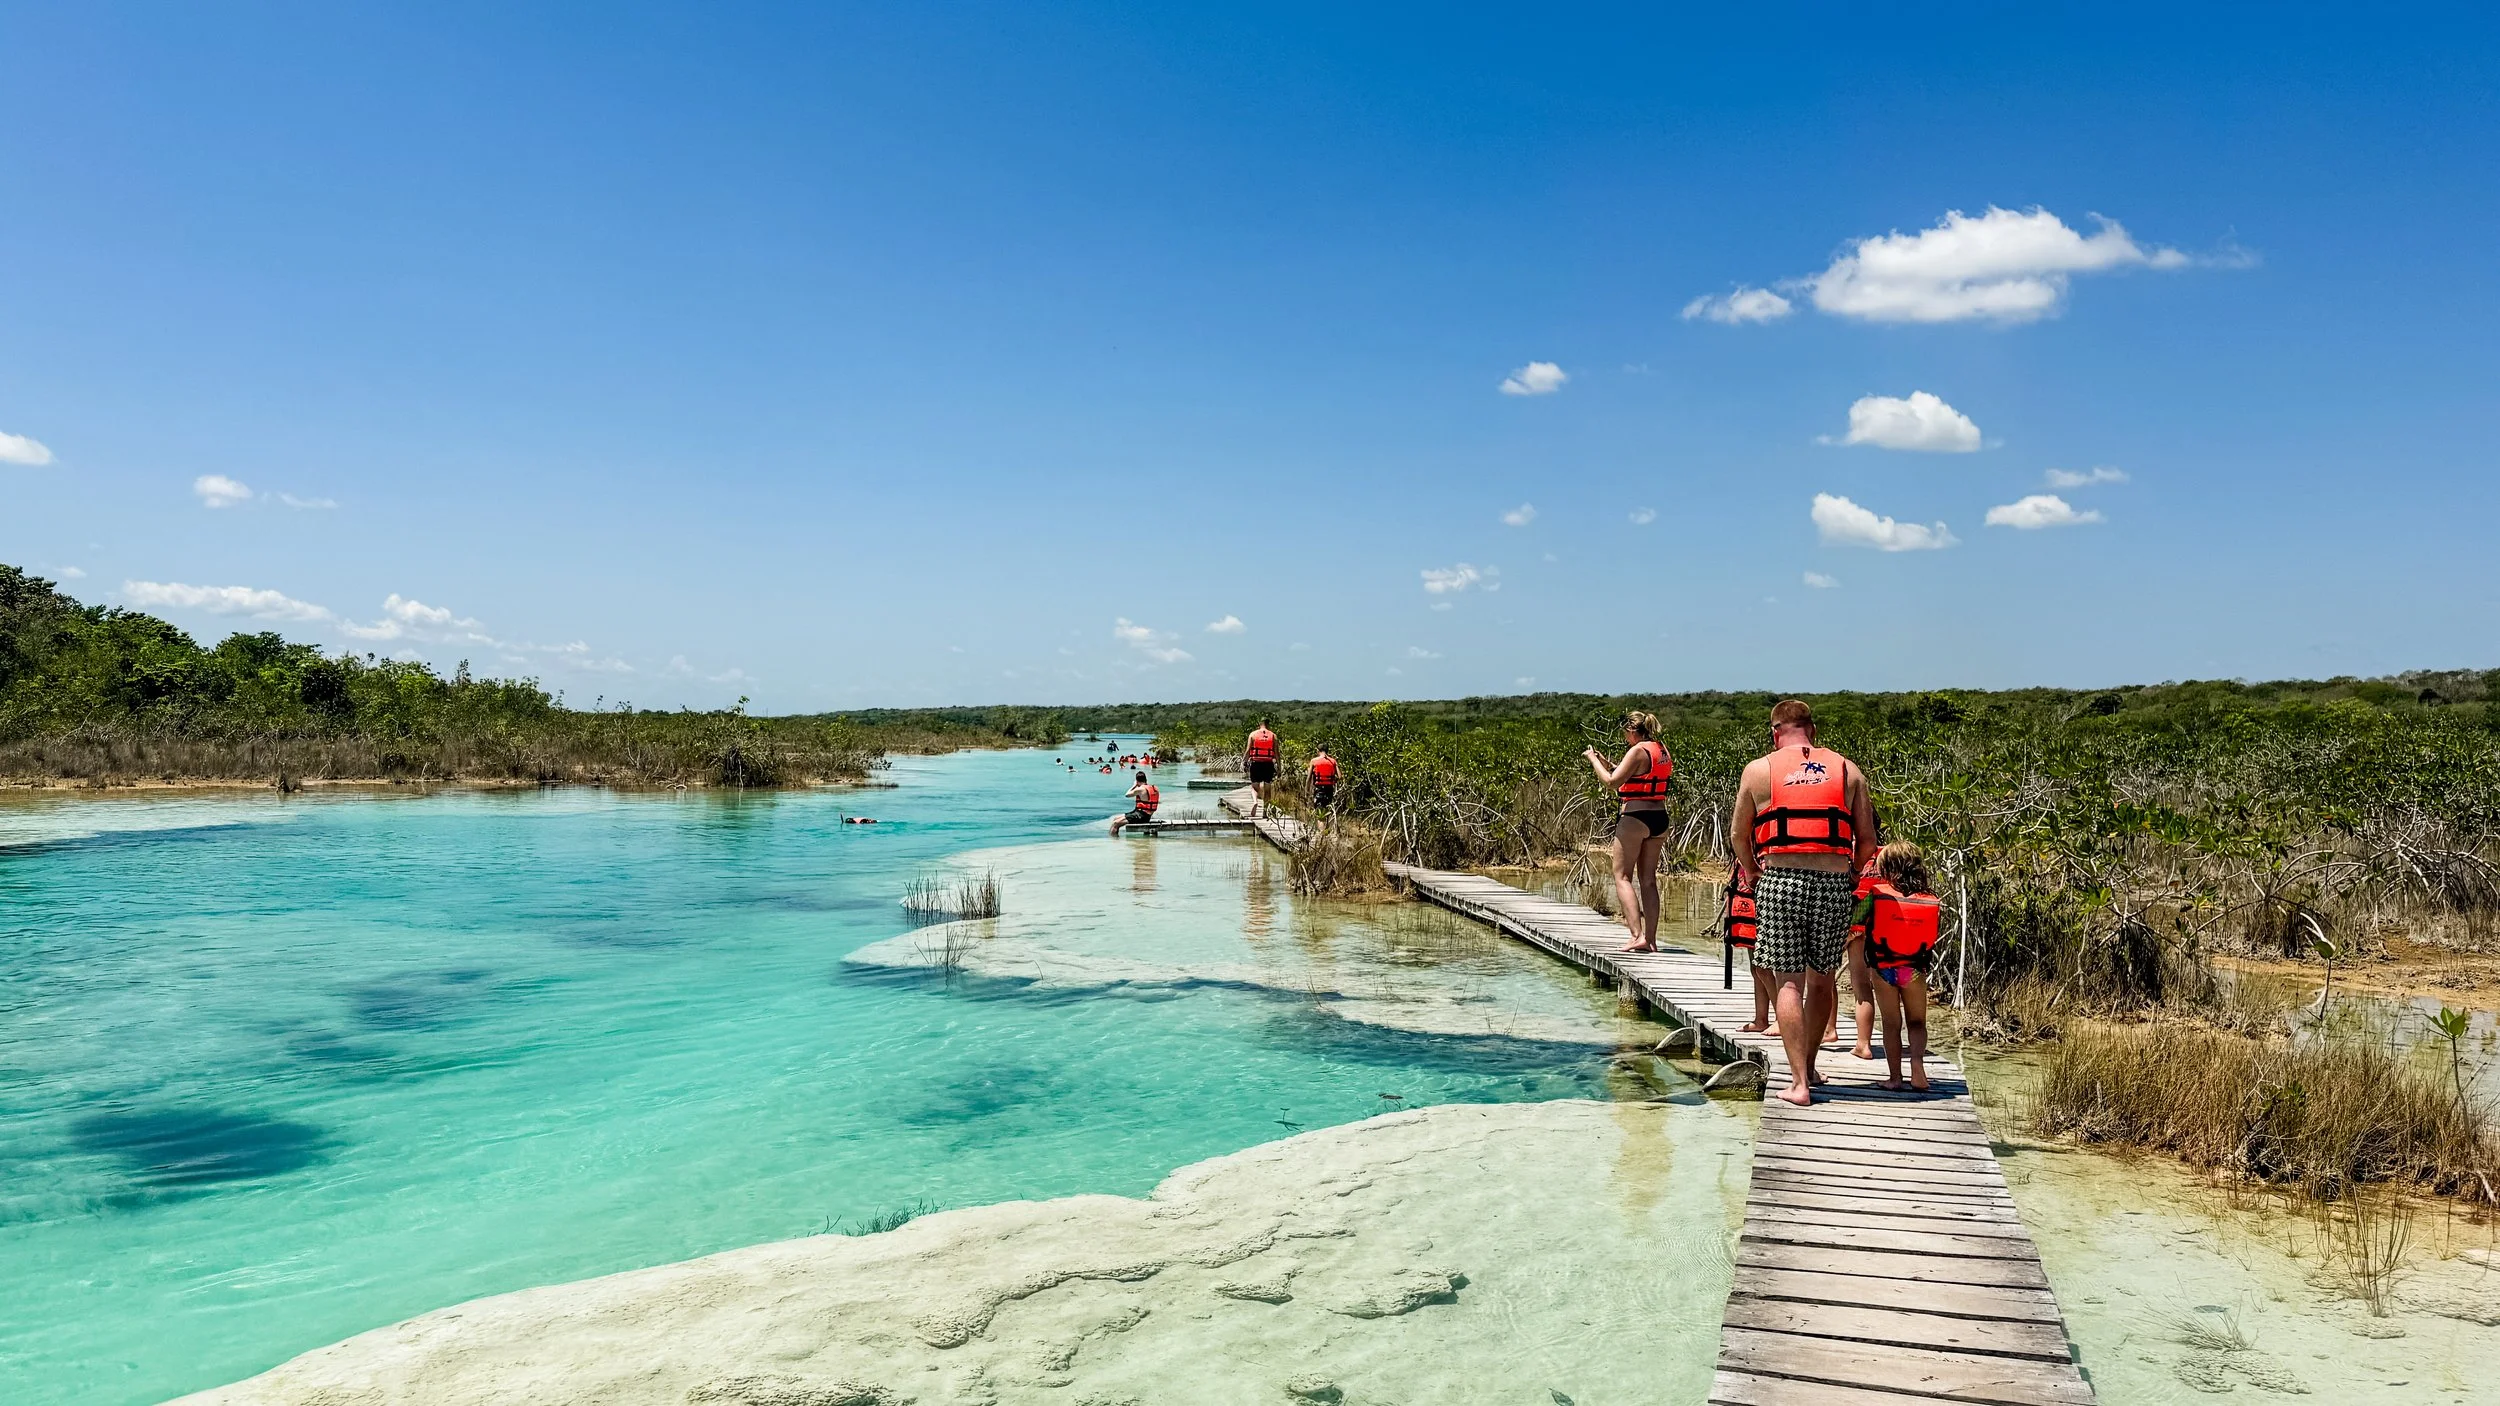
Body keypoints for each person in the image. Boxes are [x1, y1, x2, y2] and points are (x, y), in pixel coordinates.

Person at [1730, 699, 1880, 1106]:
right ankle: (1810, 1067)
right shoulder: (1849, 770)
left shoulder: (1759, 771)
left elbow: (1738, 836)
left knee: (1789, 982)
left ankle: (1798, 1082)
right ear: (1812, 730)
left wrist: (1751, 872)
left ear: (1775, 733)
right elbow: (1867, 840)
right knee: (1821, 978)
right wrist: (1851, 875)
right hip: (1833, 882)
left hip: (1780, 879)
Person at [1856, 840, 1943, 1091]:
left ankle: (1895, 1078)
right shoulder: (1930, 898)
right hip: (1914, 969)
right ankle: (1918, 1068)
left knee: (1891, 1023)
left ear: (1886, 867)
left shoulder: (1876, 894)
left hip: (1883, 968)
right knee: (1917, 1022)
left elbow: (1856, 920)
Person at [1585, 712, 1673, 954]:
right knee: (1648, 880)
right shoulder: (1660, 748)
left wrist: (1593, 760)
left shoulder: (1637, 750)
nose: (1625, 738)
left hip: (1636, 817)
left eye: (1625, 733)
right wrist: (1607, 762)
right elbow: (1636, 774)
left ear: (1632, 730)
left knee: (1622, 876)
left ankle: (1636, 936)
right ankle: (1651, 940)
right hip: (1659, 818)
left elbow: (1612, 782)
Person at [1723, 862, 1778, 1034]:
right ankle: (1761, 1018)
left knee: (1763, 968)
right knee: (1755, 968)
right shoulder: (1742, 854)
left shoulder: (1763, 853)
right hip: (1747, 911)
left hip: (1764, 912)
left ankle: (1781, 1018)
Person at [1108, 770, 1161, 836]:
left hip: (1141, 816)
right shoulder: (1153, 788)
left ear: (1137, 781)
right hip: (1144, 815)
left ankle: (1113, 841)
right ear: (1145, 779)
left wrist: (1134, 785)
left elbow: (1127, 794)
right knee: (1116, 818)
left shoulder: (1140, 789)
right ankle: (1112, 838)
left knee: (1116, 823)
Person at [1244, 721, 1280, 816]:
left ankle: (1255, 802)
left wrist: (1244, 762)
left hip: (1256, 763)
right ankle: (1264, 811)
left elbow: (1248, 750)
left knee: (1255, 787)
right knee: (1267, 789)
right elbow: (1277, 753)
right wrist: (1279, 766)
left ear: (1259, 725)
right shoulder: (1273, 736)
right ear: (1268, 725)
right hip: (1268, 764)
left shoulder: (1253, 734)